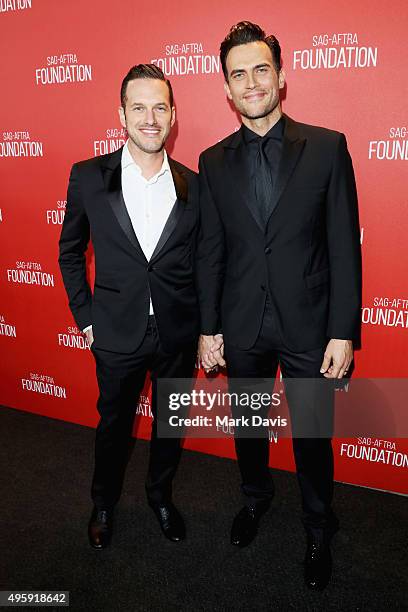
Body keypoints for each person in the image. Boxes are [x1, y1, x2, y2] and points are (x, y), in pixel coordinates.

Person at [197, 22, 361, 590]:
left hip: (310, 324)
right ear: (226, 88)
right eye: (238, 73)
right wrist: (209, 327)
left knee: (313, 433)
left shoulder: (326, 146)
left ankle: (319, 524)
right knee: (247, 426)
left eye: (261, 68)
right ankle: (255, 497)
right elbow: (211, 252)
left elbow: (343, 244)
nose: (251, 81)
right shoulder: (212, 161)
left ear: (281, 76)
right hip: (242, 324)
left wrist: (343, 331)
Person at [59, 64, 199, 549]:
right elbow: (69, 251)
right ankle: (103, 502)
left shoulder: (193, 184)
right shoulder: (87, 177)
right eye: (138, 107)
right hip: (115, 332)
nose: (150, 117)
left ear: (173, 114)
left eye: (160, 106)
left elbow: (204, 261)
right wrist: (86, 320)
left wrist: (206, 329)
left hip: (178, 333)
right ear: (121, 114)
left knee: (170, 423)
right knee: (114, 426)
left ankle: (160, 495)